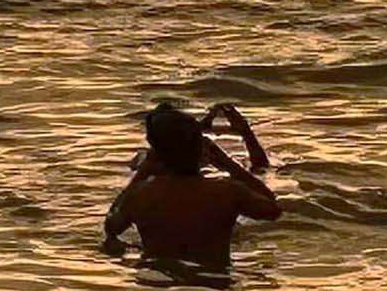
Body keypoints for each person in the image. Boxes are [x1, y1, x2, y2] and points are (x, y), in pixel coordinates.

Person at [105, 102, 281, 262]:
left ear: (156, 152)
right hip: (214, 284)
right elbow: (272, 209)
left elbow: (111, 227)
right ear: (200, 149)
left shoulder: (141, 195)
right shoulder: (227, 192)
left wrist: (141, 174)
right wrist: (228, 164)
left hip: (156, 285)